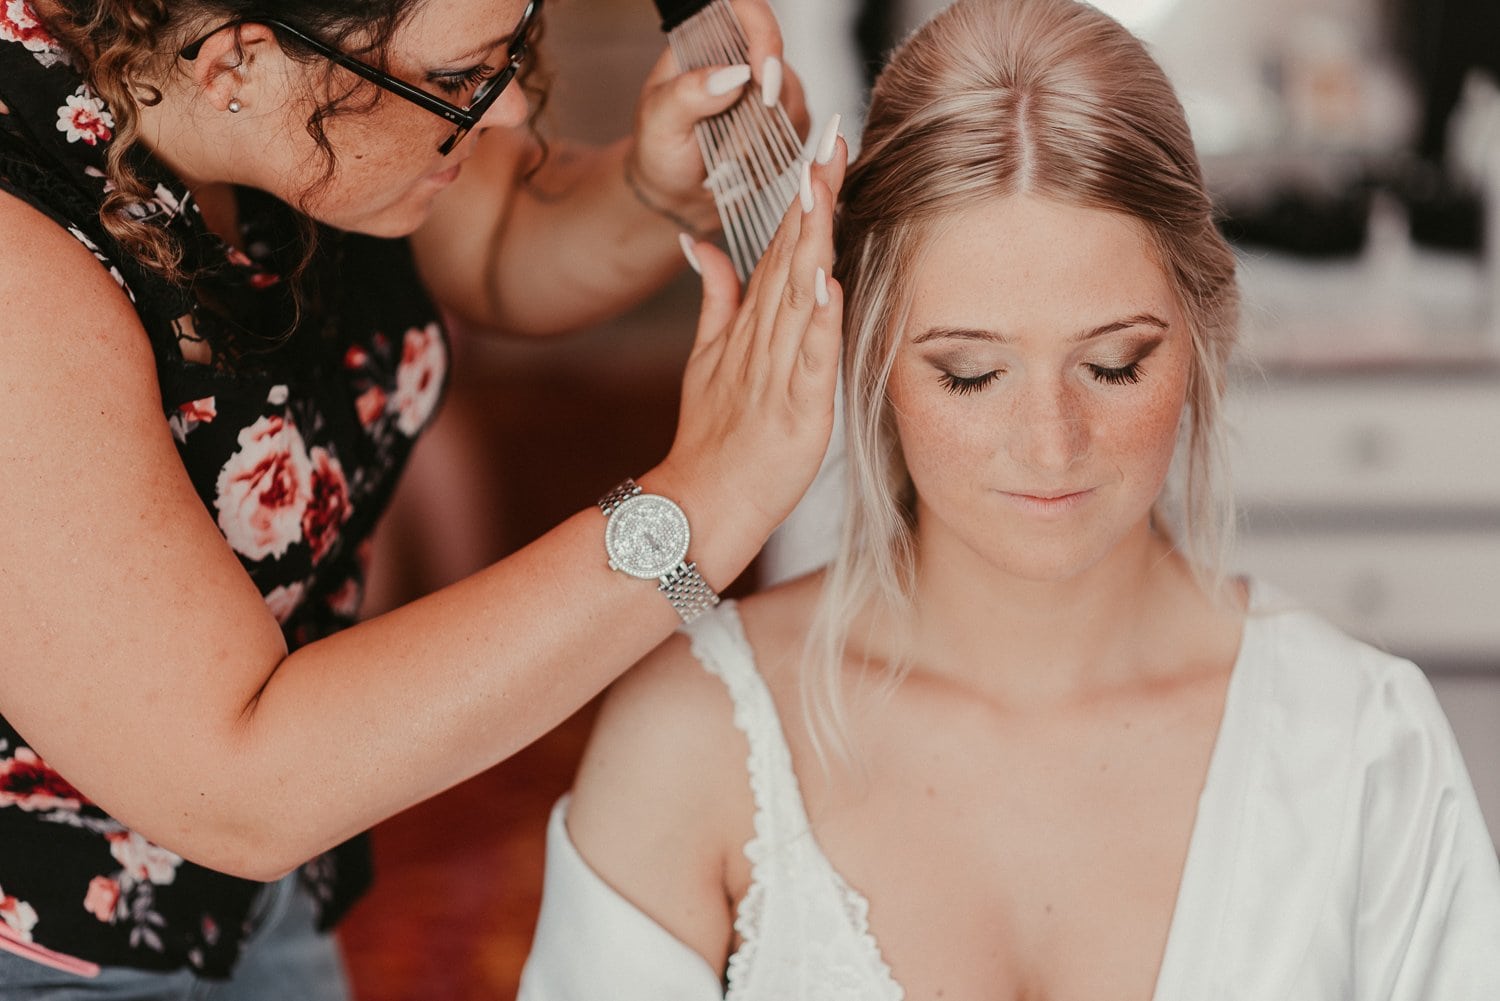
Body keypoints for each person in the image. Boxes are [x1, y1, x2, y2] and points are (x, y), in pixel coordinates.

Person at [517, 0, 1500, 997]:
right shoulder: (693, 741)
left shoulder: (1364, 743)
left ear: (1207, 329)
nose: (1050, 444)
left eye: (1114, 365)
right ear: (865, 348)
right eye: (970, 374)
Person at [0, 0, 850, 994]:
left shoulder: (293, 80)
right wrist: (701, 508)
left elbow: (491, 240)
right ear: (237, 63)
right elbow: (239, 780)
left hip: (255, 891)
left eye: (516, 50)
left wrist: (643, 188)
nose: (510, 111)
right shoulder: (21, 276)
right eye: (460, 80)